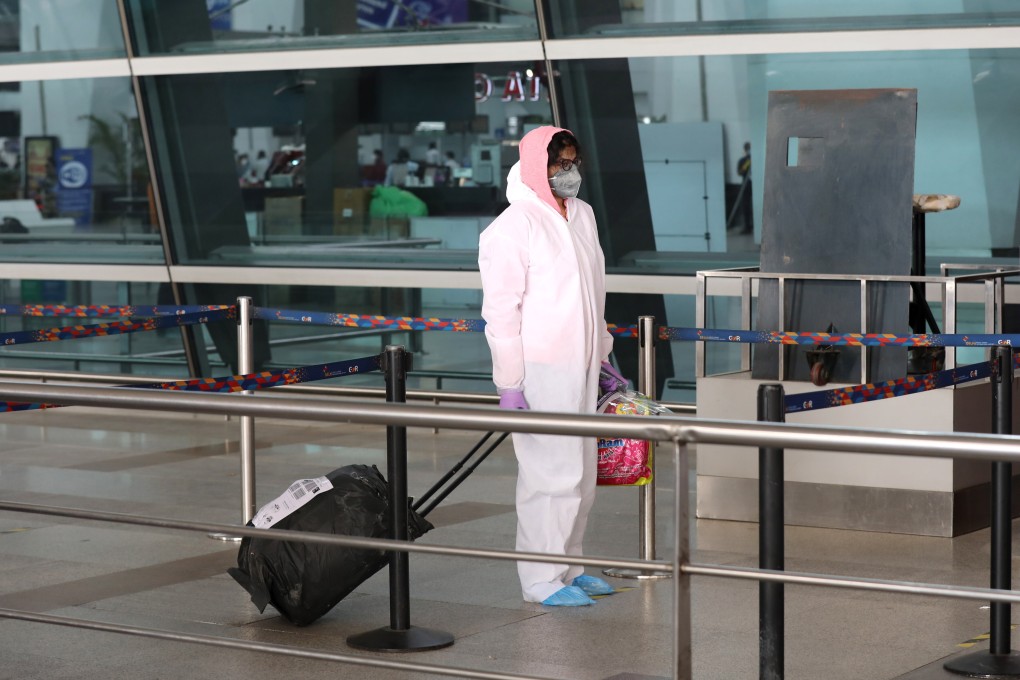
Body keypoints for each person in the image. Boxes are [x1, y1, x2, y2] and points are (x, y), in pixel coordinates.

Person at [478, 126, 627, 607]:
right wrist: (510, 383)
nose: (569, 172)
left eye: (572, 161)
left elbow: (593, 291)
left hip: (582, 365)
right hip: (540, 369)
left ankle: (569, 566)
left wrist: (602, 353)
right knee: (550, 473)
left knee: (581, 473)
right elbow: (501, 313)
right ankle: (540, 578)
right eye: (558, 163)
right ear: (533, 166)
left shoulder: (581, 215)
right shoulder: (512, 226)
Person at [736, 141, 752, 234]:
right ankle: (747, 226)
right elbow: (739, 172)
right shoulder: (742, 160)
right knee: (745, 205)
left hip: (756, 185)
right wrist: (747, 164)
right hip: (746, 185)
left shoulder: (757, 159)